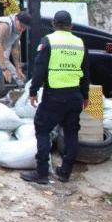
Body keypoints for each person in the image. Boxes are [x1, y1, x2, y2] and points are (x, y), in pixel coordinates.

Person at [20, 11, 89, 185]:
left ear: (53, 24)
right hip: (74, 95)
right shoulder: (80, 43)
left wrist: (33, 90)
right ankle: (65, 172)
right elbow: (86, 71)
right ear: (71, 26)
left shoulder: (49, 41)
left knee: (42, 129)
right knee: (71, 132)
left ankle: (42, 172)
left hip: (54, 96)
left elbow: (39, 68)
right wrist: (85, 95)